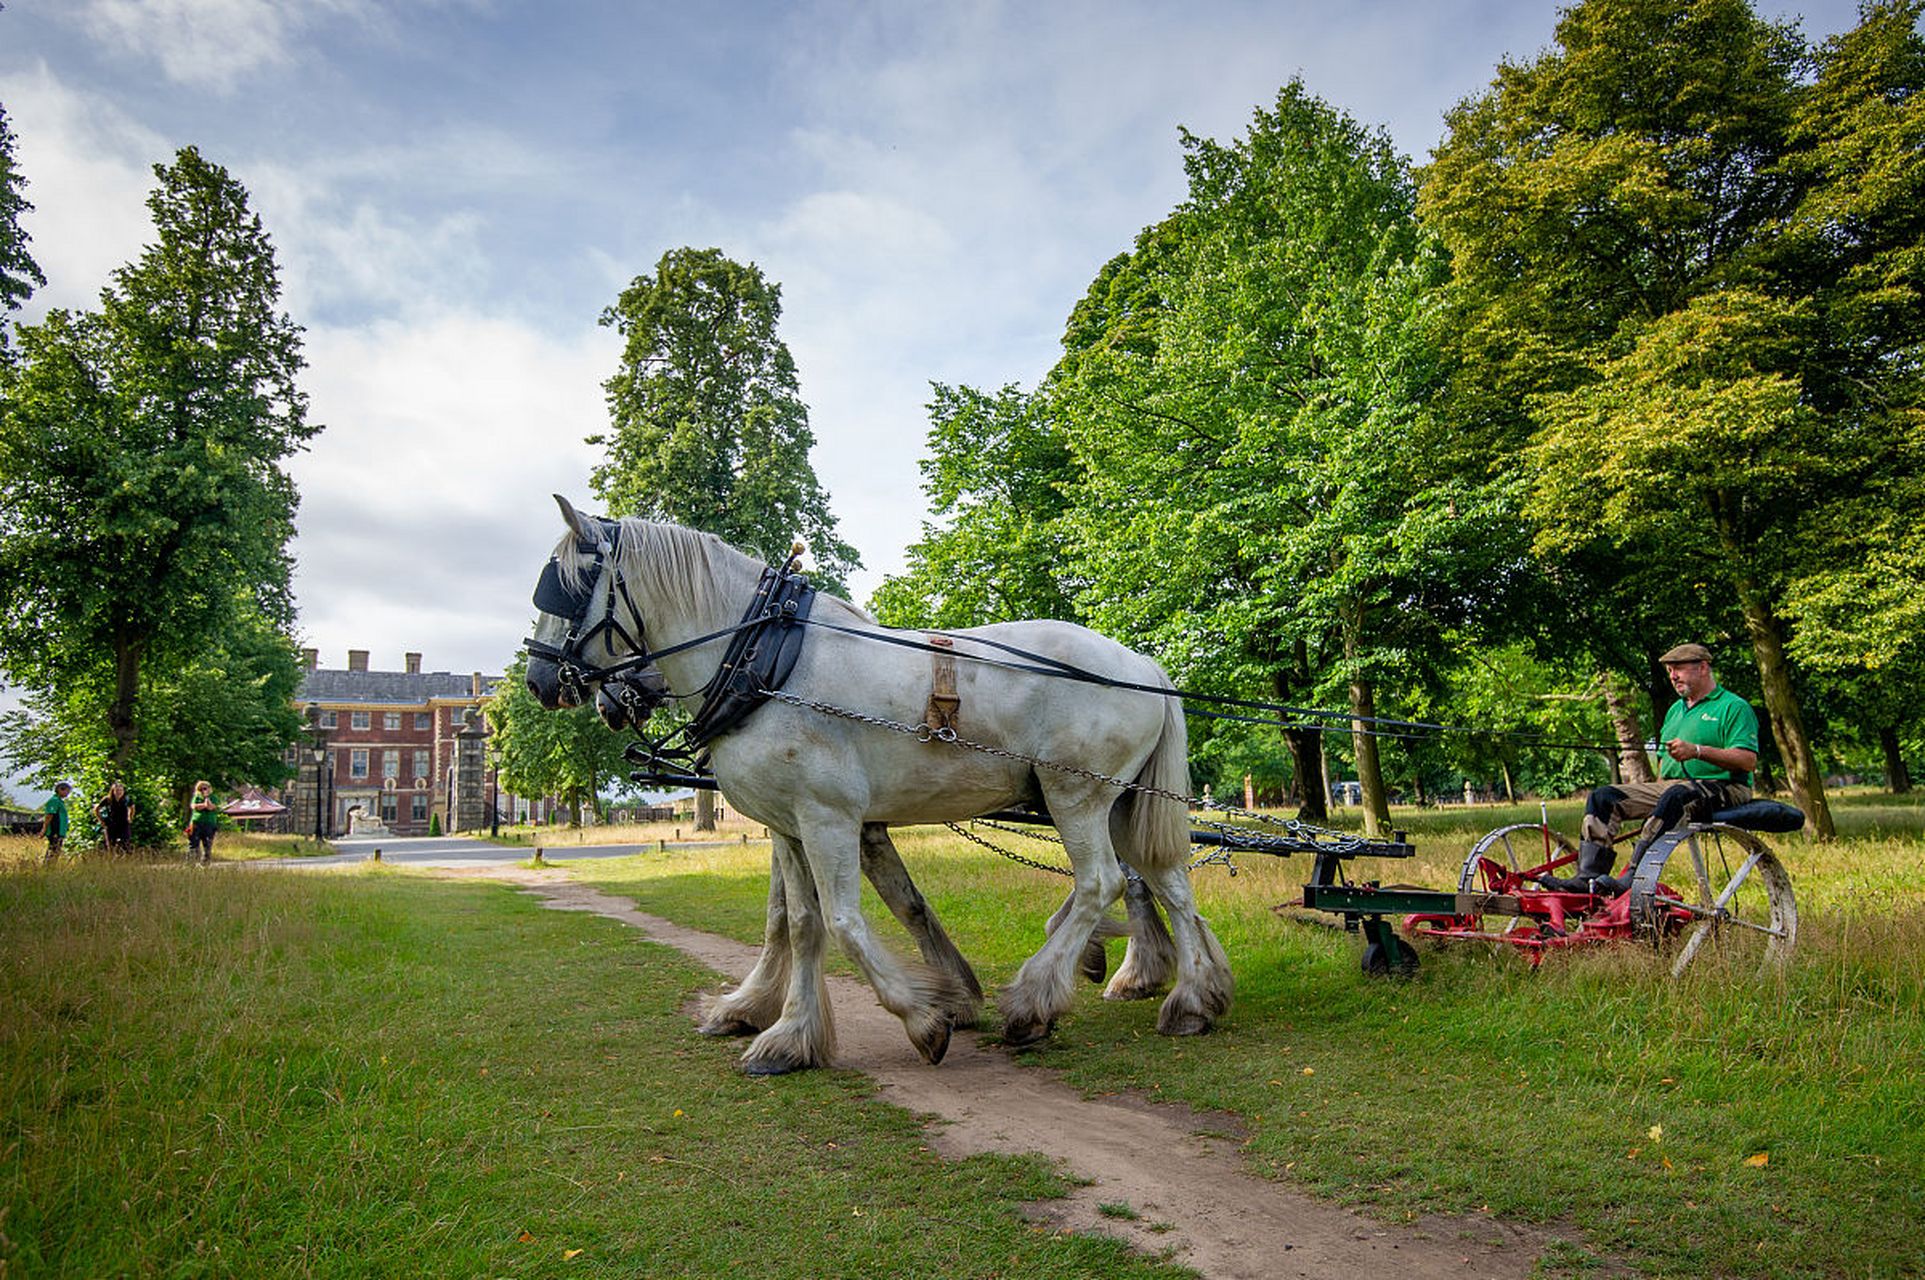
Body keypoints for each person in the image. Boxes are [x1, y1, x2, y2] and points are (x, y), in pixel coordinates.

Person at [1537, 643, 1759, 894]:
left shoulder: (1733, 707)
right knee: (1604, 797)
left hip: (1726, 787)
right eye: (1669, 670)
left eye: (1679, 669)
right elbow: (1664, 767)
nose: (1673, 676)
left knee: (1675, 795)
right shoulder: (1676, 710)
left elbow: (1747, 760)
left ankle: (1633, 876)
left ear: (1703, 668)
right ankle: (1588, 878)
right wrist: (1652, 795)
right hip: (1675, 788)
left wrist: (1697, 751)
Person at [94, 780, 138, 858]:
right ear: (113, 791)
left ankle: (125, 860)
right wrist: (101, 821)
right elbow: (96, 809)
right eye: (117, 790)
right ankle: (112, 861)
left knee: (125, 842)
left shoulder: (127, 799)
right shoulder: (107, 799)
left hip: (124, 823)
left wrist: (130, 818)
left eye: (121, 790)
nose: (119, 792)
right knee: (111, 845)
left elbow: (132, 808)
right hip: (111, 824)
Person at [187, 780, 220, 865]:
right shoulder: (196, 797)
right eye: (201, 789)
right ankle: (191, 864)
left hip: (209, 824)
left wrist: (206, 799)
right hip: (196, 823)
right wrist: (203, 805)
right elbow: (194, 806)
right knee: (193, 844)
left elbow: (211, 807)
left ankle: (205, 863)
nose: (203, 791)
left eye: (205, 788)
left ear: (209, 788)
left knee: (207, 844)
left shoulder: (214, 797)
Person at [40, 781, 73, 864]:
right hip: (55, 830)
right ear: (60, 789)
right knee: (53, 850)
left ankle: (51, 866)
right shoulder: (54, 801)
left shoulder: (60, 801)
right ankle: (48, 867)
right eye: (67, 791)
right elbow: (49, 815)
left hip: (60, 831)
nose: (67, 794)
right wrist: (44, 829)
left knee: (56, 850)